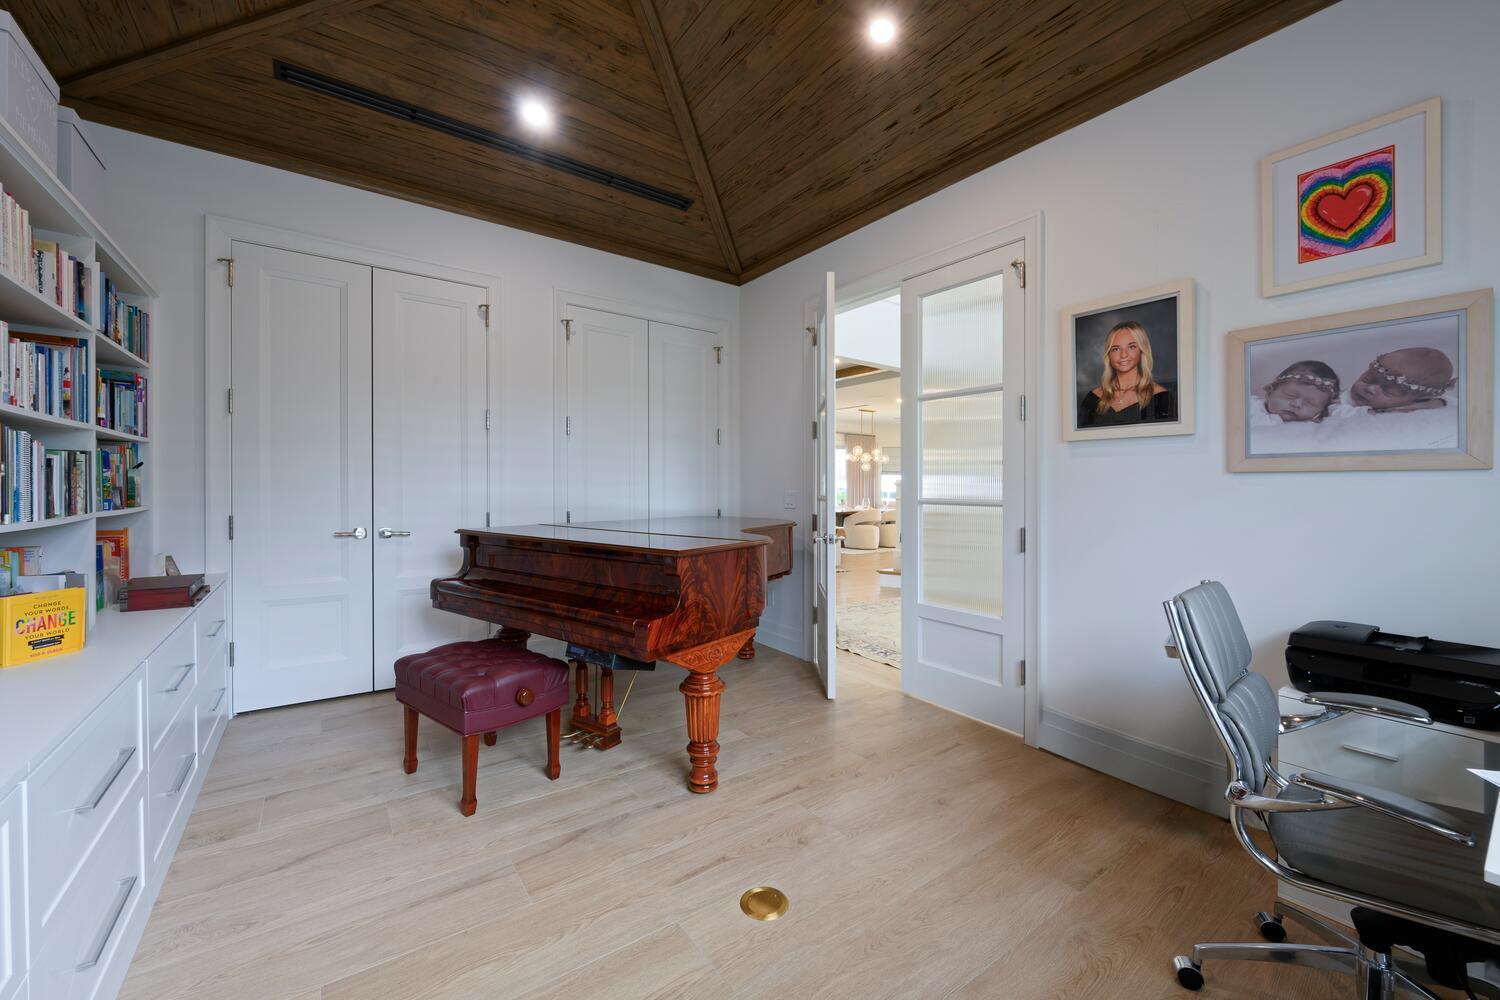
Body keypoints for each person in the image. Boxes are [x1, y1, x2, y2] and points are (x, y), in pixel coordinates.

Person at [1077, 320, 1175, 428]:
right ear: (1108, 354)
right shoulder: (1093, 398)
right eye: (1116, 349)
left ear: (1142, 350)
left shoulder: (1161, 397)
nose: (1123, 355)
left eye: (1131, 347)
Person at [1349, 348, 1457, 413]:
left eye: (1389, 391)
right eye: (1368, 378)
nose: (1370, 389)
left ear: (1420, 399)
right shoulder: (1340, 401)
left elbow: (1440, 404)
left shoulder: (1412, 416)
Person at [1261, 361, 1340, 423]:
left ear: (1322, 410)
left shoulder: (1317, 426)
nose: (1296, 404)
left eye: (1310, 403)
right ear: (1270, 391)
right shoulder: (1253, 409)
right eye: (1290, 395)